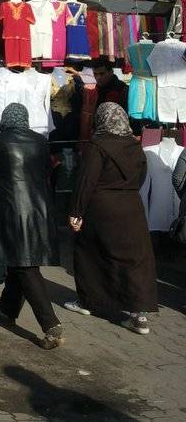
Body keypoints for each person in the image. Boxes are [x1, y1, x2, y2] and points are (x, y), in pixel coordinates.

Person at [0, 103, 65, 349]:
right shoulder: (40, 142)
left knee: (25, 267)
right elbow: (46, 171)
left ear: (4, 120)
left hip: (13, 211)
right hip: (40, 210)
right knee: (18, 261)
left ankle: (51, 325)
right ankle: (7, 311)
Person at [66, 102, 158, 334]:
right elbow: (141, 177)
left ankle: (88, 301)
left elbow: (86, 181)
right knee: (135, 259)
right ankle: (139, 316)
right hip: (132, 208)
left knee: (90, 254)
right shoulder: (135, 147)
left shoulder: (97, 146)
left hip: (101, 208)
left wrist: (76, 211)